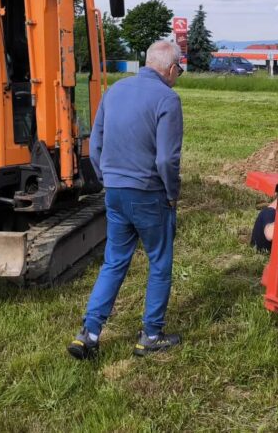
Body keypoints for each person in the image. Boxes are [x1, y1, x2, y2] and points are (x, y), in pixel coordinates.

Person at [69, 40, 184, 360]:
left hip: (115, 192)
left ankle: (89, 333)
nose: (178, 76)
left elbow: (94, 147)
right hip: (149, 193)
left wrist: (108, 180)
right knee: (159, 262)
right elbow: (166, 161)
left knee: (114, 261)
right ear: (172, 69)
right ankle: (151, 335)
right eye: (180, 71)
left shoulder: (114, 91)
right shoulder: (168, 99)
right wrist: (172, 194)